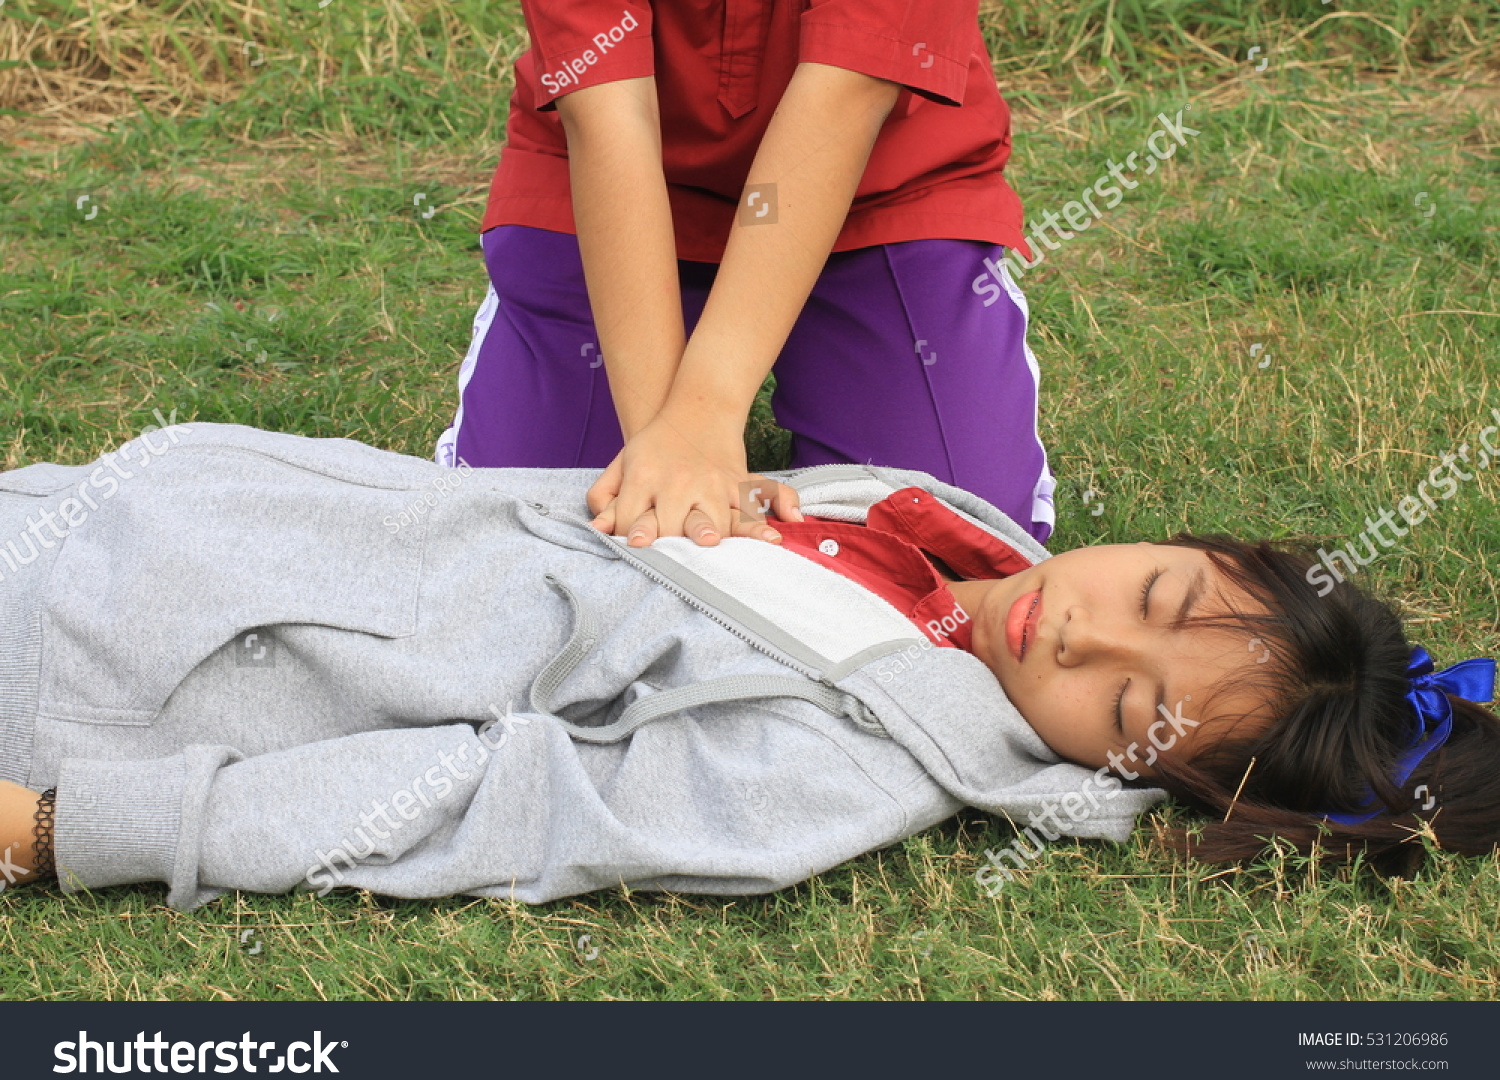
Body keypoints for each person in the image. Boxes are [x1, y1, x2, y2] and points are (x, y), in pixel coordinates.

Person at [0, 423, 1493, 909]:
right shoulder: (937, 520)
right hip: (135, 508)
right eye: (1154, 589)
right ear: (1183, 540)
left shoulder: (838, 771)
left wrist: (67, 830)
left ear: (1131, 771)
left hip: (103, 660)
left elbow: (494, 804)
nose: (1079, 628)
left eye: (1121, 705)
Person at [433, 0, 1057, 551]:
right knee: (519, 534)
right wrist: (671, 451)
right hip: (617, 185)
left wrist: (702, 416)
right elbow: (607, 105)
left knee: (955, 542)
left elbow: (852, 86)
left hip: (878, 193)